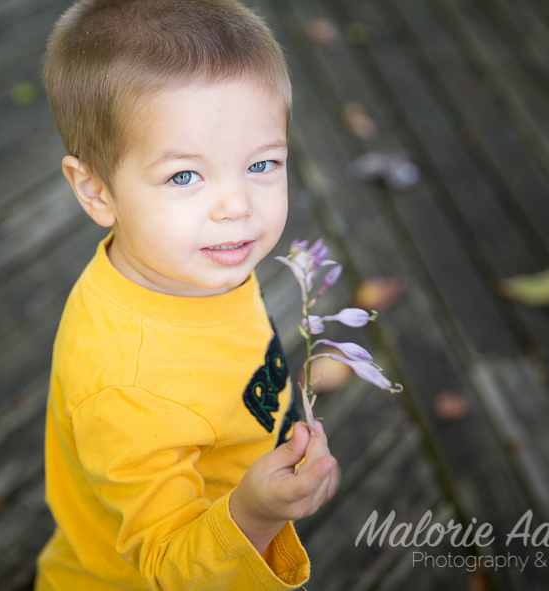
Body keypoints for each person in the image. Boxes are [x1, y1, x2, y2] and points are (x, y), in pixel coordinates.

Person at [35, 1, 339, 589]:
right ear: (96, 191)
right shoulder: (123, 382)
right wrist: (255, 513)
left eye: (263, 164)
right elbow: (169, 567)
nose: (237, 207)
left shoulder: (193, 262)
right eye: (184, 176)